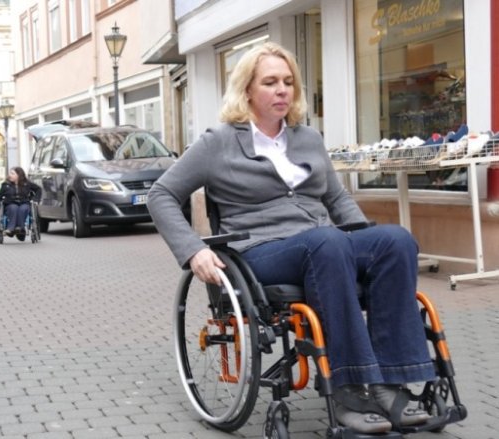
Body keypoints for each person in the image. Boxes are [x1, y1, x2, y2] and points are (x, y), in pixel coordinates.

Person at [147, 42, 433, 434]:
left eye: (288, 81)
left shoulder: (308, 138)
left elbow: (336, 199)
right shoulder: (218, 143)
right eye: (270, 82)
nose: (282, 89)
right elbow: (161, 194)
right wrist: (193, 250)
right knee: (327, 243)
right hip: (261, 252)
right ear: (247, 90)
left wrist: (367, 246)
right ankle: (348, 388)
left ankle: (389, 383)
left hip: (324, 245)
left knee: (396, 241)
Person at [0, 167, 42, 240]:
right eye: (10, 173)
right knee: (14, 208)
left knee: (23, 208)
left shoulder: (27, 183)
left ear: (19, 175)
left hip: (24, 203)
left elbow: (38, 189)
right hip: (10, 204)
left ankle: (17, 229)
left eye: (12, 173)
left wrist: (35, 199)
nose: (10, 175)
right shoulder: (5, 185)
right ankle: (12, 229)